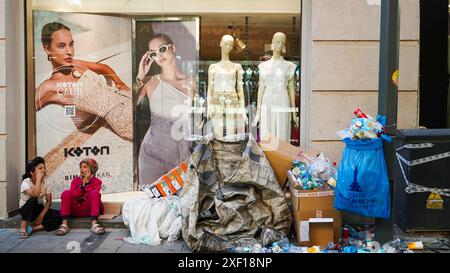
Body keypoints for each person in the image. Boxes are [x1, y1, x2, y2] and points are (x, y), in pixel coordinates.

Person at [35, 22, 132, 141]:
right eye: (61, 46)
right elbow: (22, 110)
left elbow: (103, 68)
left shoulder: (75, 64)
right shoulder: (50, 86)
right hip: (123, 117)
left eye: (71, 44)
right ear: (47, 49)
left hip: (126, 99)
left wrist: (120, 83)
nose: (69, 51)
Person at [136, 33, 194, 185]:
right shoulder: (149, 82)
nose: (159, 55)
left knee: (183, 200)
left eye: (162, 49)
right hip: (152, 154)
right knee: (152, 202)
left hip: (182, 152)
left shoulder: (191, 83)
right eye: (154, 53)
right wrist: (140, 77)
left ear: (173, 48)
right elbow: (128, 107)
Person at [57, 158, 105, 236]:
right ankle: (64, 224)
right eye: (81, 167)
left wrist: (88, 182)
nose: (82, 169)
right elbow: (74, 195)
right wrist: (82, 185)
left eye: (85, 167)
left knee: (95, 193)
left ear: (92, 169)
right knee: (66, 193)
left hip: (88, 210)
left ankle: (94, 224)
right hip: (76, 210)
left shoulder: (97, 181)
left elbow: (92, 196)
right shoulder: (75, 181)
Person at [18, 157, 62, 239]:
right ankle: (23, 227)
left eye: (44, 168)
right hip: (26, 209)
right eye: (40, 168)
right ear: (32, 172)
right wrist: (38, 179)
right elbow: (35, 195)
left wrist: (41, 216)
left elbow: (49, 202)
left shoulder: (46, 182)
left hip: (37, 209)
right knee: (33, 200)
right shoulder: (26, 182)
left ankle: (34, 228)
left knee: (60, 215)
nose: (43, 170)